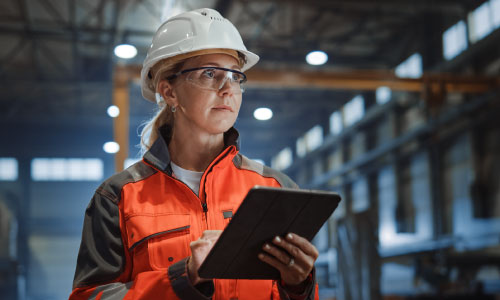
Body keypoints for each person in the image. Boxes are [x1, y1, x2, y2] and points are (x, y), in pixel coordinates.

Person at [69, 8, 319, 300]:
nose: (228, 89)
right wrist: (182, 278)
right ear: (170, 92)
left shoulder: (276, 190)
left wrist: (298, 286)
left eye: (235, 76)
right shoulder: (118, 198)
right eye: (210, 74)